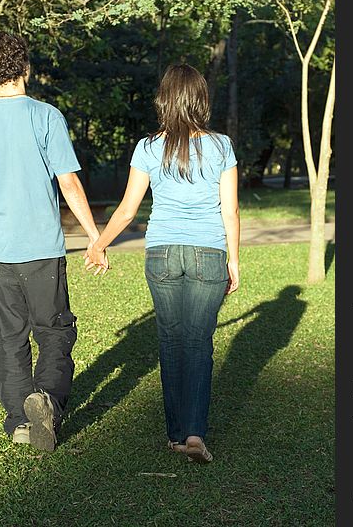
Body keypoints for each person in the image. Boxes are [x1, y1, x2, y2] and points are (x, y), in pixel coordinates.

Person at [0, 32, 106, 451]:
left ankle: (20, 420)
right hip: (43, 251)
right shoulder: (47, 117)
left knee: (9, 337)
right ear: (25, 67)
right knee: (55, 331)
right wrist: (94, 235)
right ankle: (48, 404)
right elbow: (69, 182)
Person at [86, 64, 240, 463]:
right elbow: (232, 211)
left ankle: (176, 436)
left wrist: (98, 245)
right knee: (198, 342)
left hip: (162, 254)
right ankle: (193, 433)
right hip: (209, 253)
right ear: (200, 101)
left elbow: (126, 211)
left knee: (172, 342)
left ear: (164, 101)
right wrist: (234, 261)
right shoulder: (222, 146)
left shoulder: (147, 147)